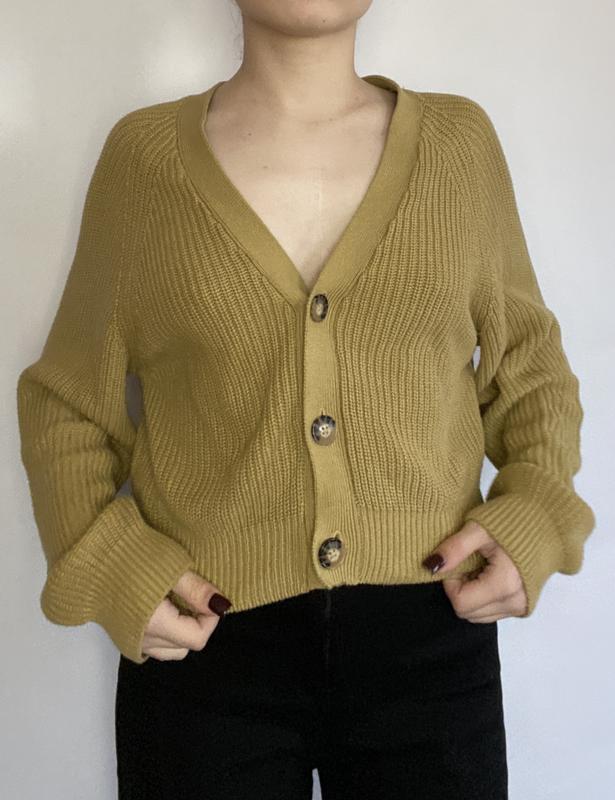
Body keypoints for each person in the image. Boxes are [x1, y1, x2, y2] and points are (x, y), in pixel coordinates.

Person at [16, 1, 596, 798]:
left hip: (430, 644)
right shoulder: (144, 163)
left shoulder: (457, 147)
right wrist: (110, 561)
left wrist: (536, 514)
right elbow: (67, 403)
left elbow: (529, 371)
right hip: (204, 658)